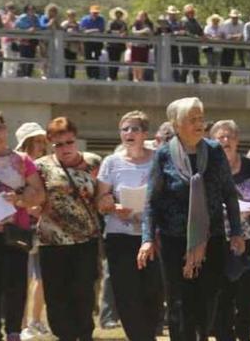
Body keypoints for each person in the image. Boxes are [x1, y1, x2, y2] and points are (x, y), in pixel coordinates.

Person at [138, 97, 244, 341]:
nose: (199, 123)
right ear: (176, 125)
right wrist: (147, 239)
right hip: (175, 242)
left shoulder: (215, 151)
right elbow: (151, 201)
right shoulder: (163, 155)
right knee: (179, 304)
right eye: (192, 119)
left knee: (208, 302)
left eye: (201, 118)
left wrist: (236, 231)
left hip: (212, 239)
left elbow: (229, 193)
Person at [36, 116, 109, 341]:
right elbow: (35, 198)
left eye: (69, 142)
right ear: (51, 143)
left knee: (84, 295)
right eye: (59, 144)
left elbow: (102, 196)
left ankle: (85, 335)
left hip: (85, 241)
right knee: (56, 298)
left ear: (75, 139)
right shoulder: (41, 167)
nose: (65, 148)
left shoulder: (94, 162)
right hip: (52, 243)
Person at [96, 111, 163, 341]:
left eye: (134, 128)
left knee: (153, 293)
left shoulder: (158, 159)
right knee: (127, 295)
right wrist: (114, 207)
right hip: (120, 237)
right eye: (124, 129)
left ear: (145, 133)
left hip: (153, 237)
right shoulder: (111, 163)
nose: (129, 133)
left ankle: (149, 335)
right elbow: (101, 199)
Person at [0, 108, 46, 341]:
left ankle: (14, 331)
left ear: (6, 129)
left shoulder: (22, 161)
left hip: (15, 232)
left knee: (15, 286)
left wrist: (20, 199)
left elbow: (39, 193)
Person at [209, 120, 250, 341]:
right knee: (222, 298)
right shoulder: (207, 168)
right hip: (219, 241)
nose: (225, 140)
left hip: (249, 241)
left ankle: (244, 335)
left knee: (248, 297)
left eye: (230, 136)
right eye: (220, 137)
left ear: (238, 140)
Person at [13, 123, 51, 341]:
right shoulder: (18, 166)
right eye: (35, 141)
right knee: (24, 278)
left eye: (41, 141)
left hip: (42, 228)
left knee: (41, 276)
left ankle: (35, 320)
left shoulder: (43, 166)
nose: (40, 145)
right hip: (22, 227)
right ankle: (23, 324)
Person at [14, 4, 41, 78]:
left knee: (31, 57)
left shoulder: (36, 17)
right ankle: (23, 74)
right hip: (23, 39)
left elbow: (39, 26)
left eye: (33, 9)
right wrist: (28, 29)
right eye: (30, 9)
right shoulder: (22, 17)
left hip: (33, 40)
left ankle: (28, 74)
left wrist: (35, 28)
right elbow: (17, 25)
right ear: (26, 10)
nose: (31, 11)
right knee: (23, 56)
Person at [79, 5, 106, 80]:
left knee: (96, 58)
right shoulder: (85, 19)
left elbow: (101, 29)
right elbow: (82, 30)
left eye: (96, 13)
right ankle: (89, 75)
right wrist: (93, 30)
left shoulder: (101, 19)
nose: (95, 14)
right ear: (90, 12)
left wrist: (90, 31)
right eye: (94, 13)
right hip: (87, 42)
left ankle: (96, 75)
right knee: (88, 58)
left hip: (97, 42)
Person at [180, 4, 204, 84]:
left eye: (192, 12)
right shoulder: (184, 21)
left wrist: (204, 36)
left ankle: (196, 81)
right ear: (186, 13)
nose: (191, 13)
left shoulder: (195, 21)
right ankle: (182, 82)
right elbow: (186, 32)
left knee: (196, 65)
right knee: (186, 64)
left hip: (194, 46)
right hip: (186, 46)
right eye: (189, 12)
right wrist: (195, 37)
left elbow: (200, 31)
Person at [220, 10, 244, 84]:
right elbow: (227, 36)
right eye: (233, 17)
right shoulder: (226, 23)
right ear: (231, 17)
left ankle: (226, 80)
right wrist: (236, 36)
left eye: (236, 17)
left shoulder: (241, 23)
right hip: (225, 46)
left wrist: (234, 37)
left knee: (230, 63)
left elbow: (242, 35)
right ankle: (223, 80)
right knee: (223, 63)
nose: (235, 18)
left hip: (234, 46)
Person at [130, 11, 154, 82]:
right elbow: (134, 32)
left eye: (142, 16)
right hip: (136, 44)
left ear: (145, 17)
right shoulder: (135, 23)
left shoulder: (149, 24)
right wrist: (143, 31)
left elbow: (151, 33)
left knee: (142, 62)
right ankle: (135, 77)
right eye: (139, 16)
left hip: (144, 45)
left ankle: (140, 77)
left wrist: (146, 31)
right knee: (135, 61)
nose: (140, 17)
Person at [107, 8, 128, 81]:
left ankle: (115, 75)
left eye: (120, 13)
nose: (118, 15)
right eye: (117, 13)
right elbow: (108, 31)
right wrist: (118, 33)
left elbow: (125, 32)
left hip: (119, 45)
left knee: (117, 60)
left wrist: (124, 33)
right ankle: (110, 76)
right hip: (111, 44)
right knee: (111, 60)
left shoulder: (123, 23)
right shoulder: (110, 22)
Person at [203, 14, 224, 84]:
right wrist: (213, 38)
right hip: (209, 48)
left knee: (216, 64)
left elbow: (222, 36)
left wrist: (216, 37)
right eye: (214, 20)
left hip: (218, 48)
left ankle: (214, 79)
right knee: (209, 63)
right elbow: (206, 35)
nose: (215, 21)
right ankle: (209, 79)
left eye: (217, 20)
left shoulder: (221, 28)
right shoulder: (207, 27)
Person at [60, 10, 80, 79]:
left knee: (73, 61)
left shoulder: (78, 24)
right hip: (66, 45)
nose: (71, 17)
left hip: (74, 45)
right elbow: (61, 31)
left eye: (73, 15)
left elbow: (80, 33)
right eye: (70, 15)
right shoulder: (64, 23)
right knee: (66, 61)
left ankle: (72, 76)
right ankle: (65, 75)